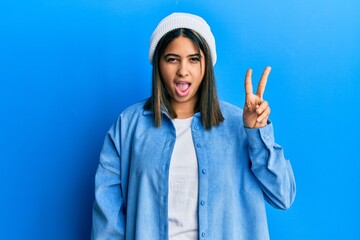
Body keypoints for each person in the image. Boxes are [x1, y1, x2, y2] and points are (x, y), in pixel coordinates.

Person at [91, 12, 296, 240]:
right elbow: (107, 226)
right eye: (172, 59)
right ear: (158, 64)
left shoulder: (240, 125)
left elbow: (283, 195)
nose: (183, 70)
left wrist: (257, 133)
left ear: (206, 65)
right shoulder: (128, 127)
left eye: (193, 59)